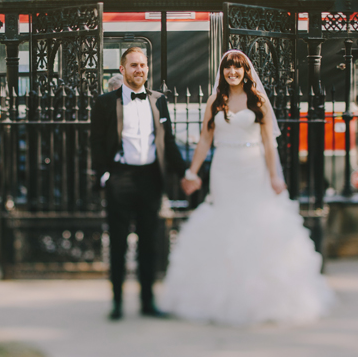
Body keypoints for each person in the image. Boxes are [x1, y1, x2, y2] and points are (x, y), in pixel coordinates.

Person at [160, 49, 333, 326]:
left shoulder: (258, 100)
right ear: (222, 71)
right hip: (224, 169)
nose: (232, 73)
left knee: (257, 223)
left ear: (245, 71)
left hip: (254, 169)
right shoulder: (215, 100)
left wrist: (275, 175)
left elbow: (269, 142)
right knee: (225, 223)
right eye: (228, 68)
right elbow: (205, 139)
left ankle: (262, 297)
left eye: (237, 68)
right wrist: (192, 171)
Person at [91, 47, 187, 321]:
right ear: (122, 70)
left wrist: (185, 173)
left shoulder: (158, 100)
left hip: (150, 179)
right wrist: (103, 175)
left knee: (149, 243)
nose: (139, 70)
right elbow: (96, 142)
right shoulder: (106, 102)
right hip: (120, 177)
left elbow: (167, 142)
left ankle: (147, 302)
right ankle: (118, 302)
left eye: (143, 65)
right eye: (133, 65)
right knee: (118, 244)